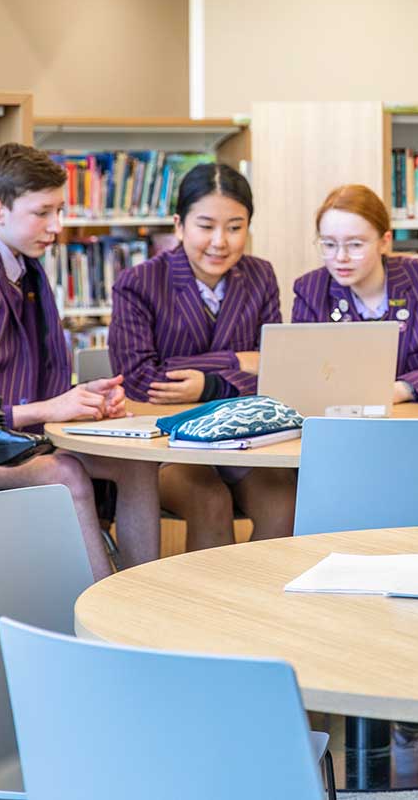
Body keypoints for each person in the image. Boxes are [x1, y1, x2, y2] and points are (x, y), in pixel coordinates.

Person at [0, 143, 159, 577]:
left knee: (136, 465)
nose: (56, 226)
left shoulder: (24, 264)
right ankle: (99, 625)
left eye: (59, 211)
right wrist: (49, 409)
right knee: (66, 475)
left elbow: (31, 379)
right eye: (43, 212)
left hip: (4, 447)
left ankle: (141, 603)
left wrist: (83, 402)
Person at [108, 163, 295, 548]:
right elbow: (142, 379)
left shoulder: (260, 275)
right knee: (210, 500)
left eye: (235, 227)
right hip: (167, 442)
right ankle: (208, 608)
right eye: (206, 226)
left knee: (285, 503)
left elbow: (276, 369)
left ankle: (257, 604)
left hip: (242, 437)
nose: (220, 242)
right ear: (179, 225)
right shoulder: (139, 282)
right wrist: (238, 362)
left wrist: (209, 382)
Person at [291, 184, 418, 401]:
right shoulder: (310, 290)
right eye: (329, 245)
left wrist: (402, 389)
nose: (341, 257)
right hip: (341, 424)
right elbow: (303, 381)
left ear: (384, 242)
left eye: (355, 245)